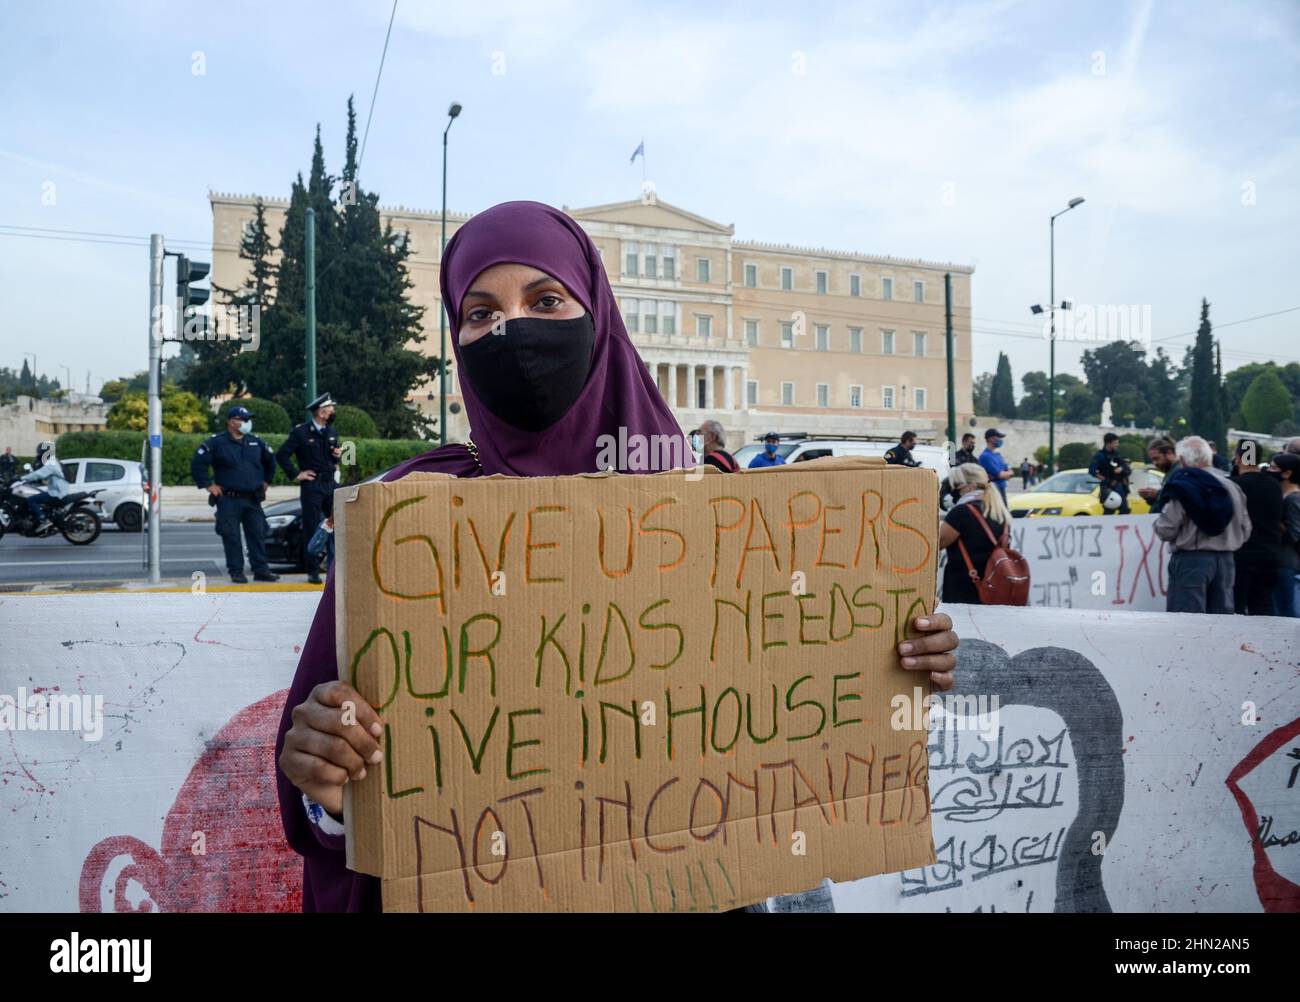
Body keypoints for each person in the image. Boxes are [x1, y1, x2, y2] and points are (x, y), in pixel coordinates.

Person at [274, 200, 961, 913]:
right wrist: (330, 788)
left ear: (598, 317)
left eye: (545, 300)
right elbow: (335, 805)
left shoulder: (722, 507)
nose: (510, 331)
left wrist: (898, 654)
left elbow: (802, 700)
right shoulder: (405, 521)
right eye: (480, 314)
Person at [1153, 436, 1250, 614]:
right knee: (1221, 619)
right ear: (1209, 456)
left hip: (1191, 559)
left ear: (1182, 460)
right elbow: (1246, 528)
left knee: (1188, 619)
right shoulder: (1233, 487)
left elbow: (1166, 528)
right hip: (1227, 560)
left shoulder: (1185, 486)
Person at [191, 404, 280, 584]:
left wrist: (266, 481)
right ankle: (236, 571)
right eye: (243, 419)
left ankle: (261, 570)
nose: (247, 423)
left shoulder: (256, 441)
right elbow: (198, 463)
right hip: (228, 499)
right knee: (231, 536)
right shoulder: (217, 442)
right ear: (231, 422)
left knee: (258, 534)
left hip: (252, 499)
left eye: (248, 419)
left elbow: (271, 462)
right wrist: (208, 485)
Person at [277, 392, 343, 585]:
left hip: (330, 483)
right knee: (312, 526)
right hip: (312, 486)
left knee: (336, 524)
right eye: (330, 408)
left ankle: (333, 568)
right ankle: (312, 570)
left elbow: (333, 457)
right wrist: (297, 474)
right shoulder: (301, 432)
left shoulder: (331, 431)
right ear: (321, 412)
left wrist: (337, 455)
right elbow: (282, 455)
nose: (333, 411)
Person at [939, 462, 1013, 604]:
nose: (953, 490)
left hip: (963, 588)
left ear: (970, 485)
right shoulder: (998, 512)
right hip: (993, 586)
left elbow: (936, 543)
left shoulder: (961, 512)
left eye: (956, 485)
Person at [1229, 438, 1285, 616]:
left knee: (1237, 608)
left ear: (1238, 458)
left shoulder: (1235, 485)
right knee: (1263, 607)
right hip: (1270, 553)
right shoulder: (1274, 485)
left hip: (1242, 555)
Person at [1268, 452, 1300, 617]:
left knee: (1285, 611)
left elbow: (1294, 534)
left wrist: (1275, 522)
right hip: (1283, 562)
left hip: (1286, 562)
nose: (1270, 470)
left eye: (1274, 467)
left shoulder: (1292, 499)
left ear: (1287, 473)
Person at [17, 441, 70, 527]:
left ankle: (43, 519)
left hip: (57, 493)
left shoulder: (51, 464)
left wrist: (21, 478)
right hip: (59, 491)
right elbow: (43, 475)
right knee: (39, 495)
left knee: (31, 500)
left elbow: (39, 474)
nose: (39, 454)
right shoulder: (54, 461)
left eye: (40, 452)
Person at [1088, 432, 1132, 514]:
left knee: (1124, 511)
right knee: (1109, 510)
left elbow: (1126, 467)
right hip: (1108, 487)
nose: (1117, 445)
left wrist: (1121, 468)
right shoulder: (1099, 456)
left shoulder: (1116, 455)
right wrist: (1104, 479)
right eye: (1115, 443)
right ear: (1108, 443)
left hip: (1120, 486)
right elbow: (1092, 471)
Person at [1138, 436, 1179, 511]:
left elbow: (1175, 499)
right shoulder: (1171, 471)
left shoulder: (1178, 472)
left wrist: (1157, 494)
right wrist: (1150, 496)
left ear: (1169, 453)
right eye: (1152, 460)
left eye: (1156, 458)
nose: (1155, 463)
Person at [978, 428, 1012, 500]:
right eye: (998, 437)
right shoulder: (985, 456)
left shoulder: (998, 455)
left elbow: (1009, 474)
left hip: (1001, 489)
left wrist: (1006, 474)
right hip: (993, 492)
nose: (1000, 439)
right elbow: (1000, 474)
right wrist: (1005, 474)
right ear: (991, 439)